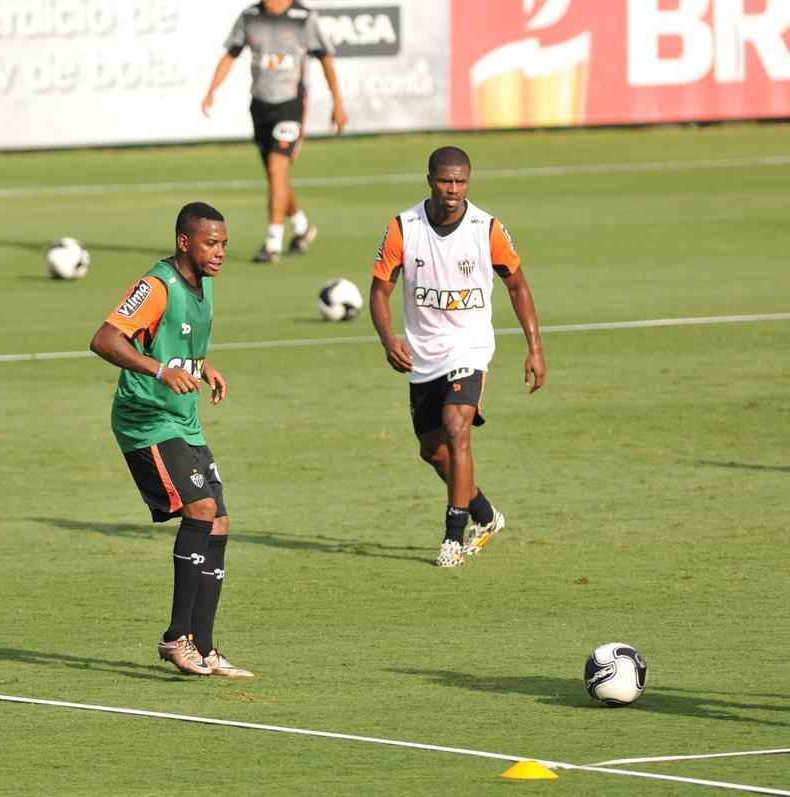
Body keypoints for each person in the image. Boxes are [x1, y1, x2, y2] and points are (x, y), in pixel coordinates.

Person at [89, 202, 253, 677]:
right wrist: (158, 370)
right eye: (211, 243)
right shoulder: (156, 286)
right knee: (200, 511)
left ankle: (202, 647)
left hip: (182, 419)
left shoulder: (203, 287)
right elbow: (104, 340)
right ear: (185, 242)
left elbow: (178, 346)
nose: (220, 252)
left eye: (223, 243)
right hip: (146, 420)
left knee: (219, 521)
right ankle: (174, 639)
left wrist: (204, 367)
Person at [369, 146, 547, 568]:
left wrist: (535, 349)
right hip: (423, 353)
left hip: (469, 345)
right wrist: (387, 336)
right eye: (445, 181)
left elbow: (518, 286)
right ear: (430, 179)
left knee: (456, 425)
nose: (453, 190)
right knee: (433, 453)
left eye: (460, 182)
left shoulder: (486, 229)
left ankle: (453, 534)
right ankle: (485, 515)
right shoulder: (403, 227)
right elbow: (380, 289)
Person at [201, 0, 348, 264]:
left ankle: (273, 242)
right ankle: (301, 226)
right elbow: (231, 53)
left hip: (290, 103)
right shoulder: (250, 15)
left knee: (277, 167)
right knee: (275, 174)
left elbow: (325, 59)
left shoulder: (303, 17)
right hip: (259, 105)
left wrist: (337, 101)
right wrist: (212, 89)